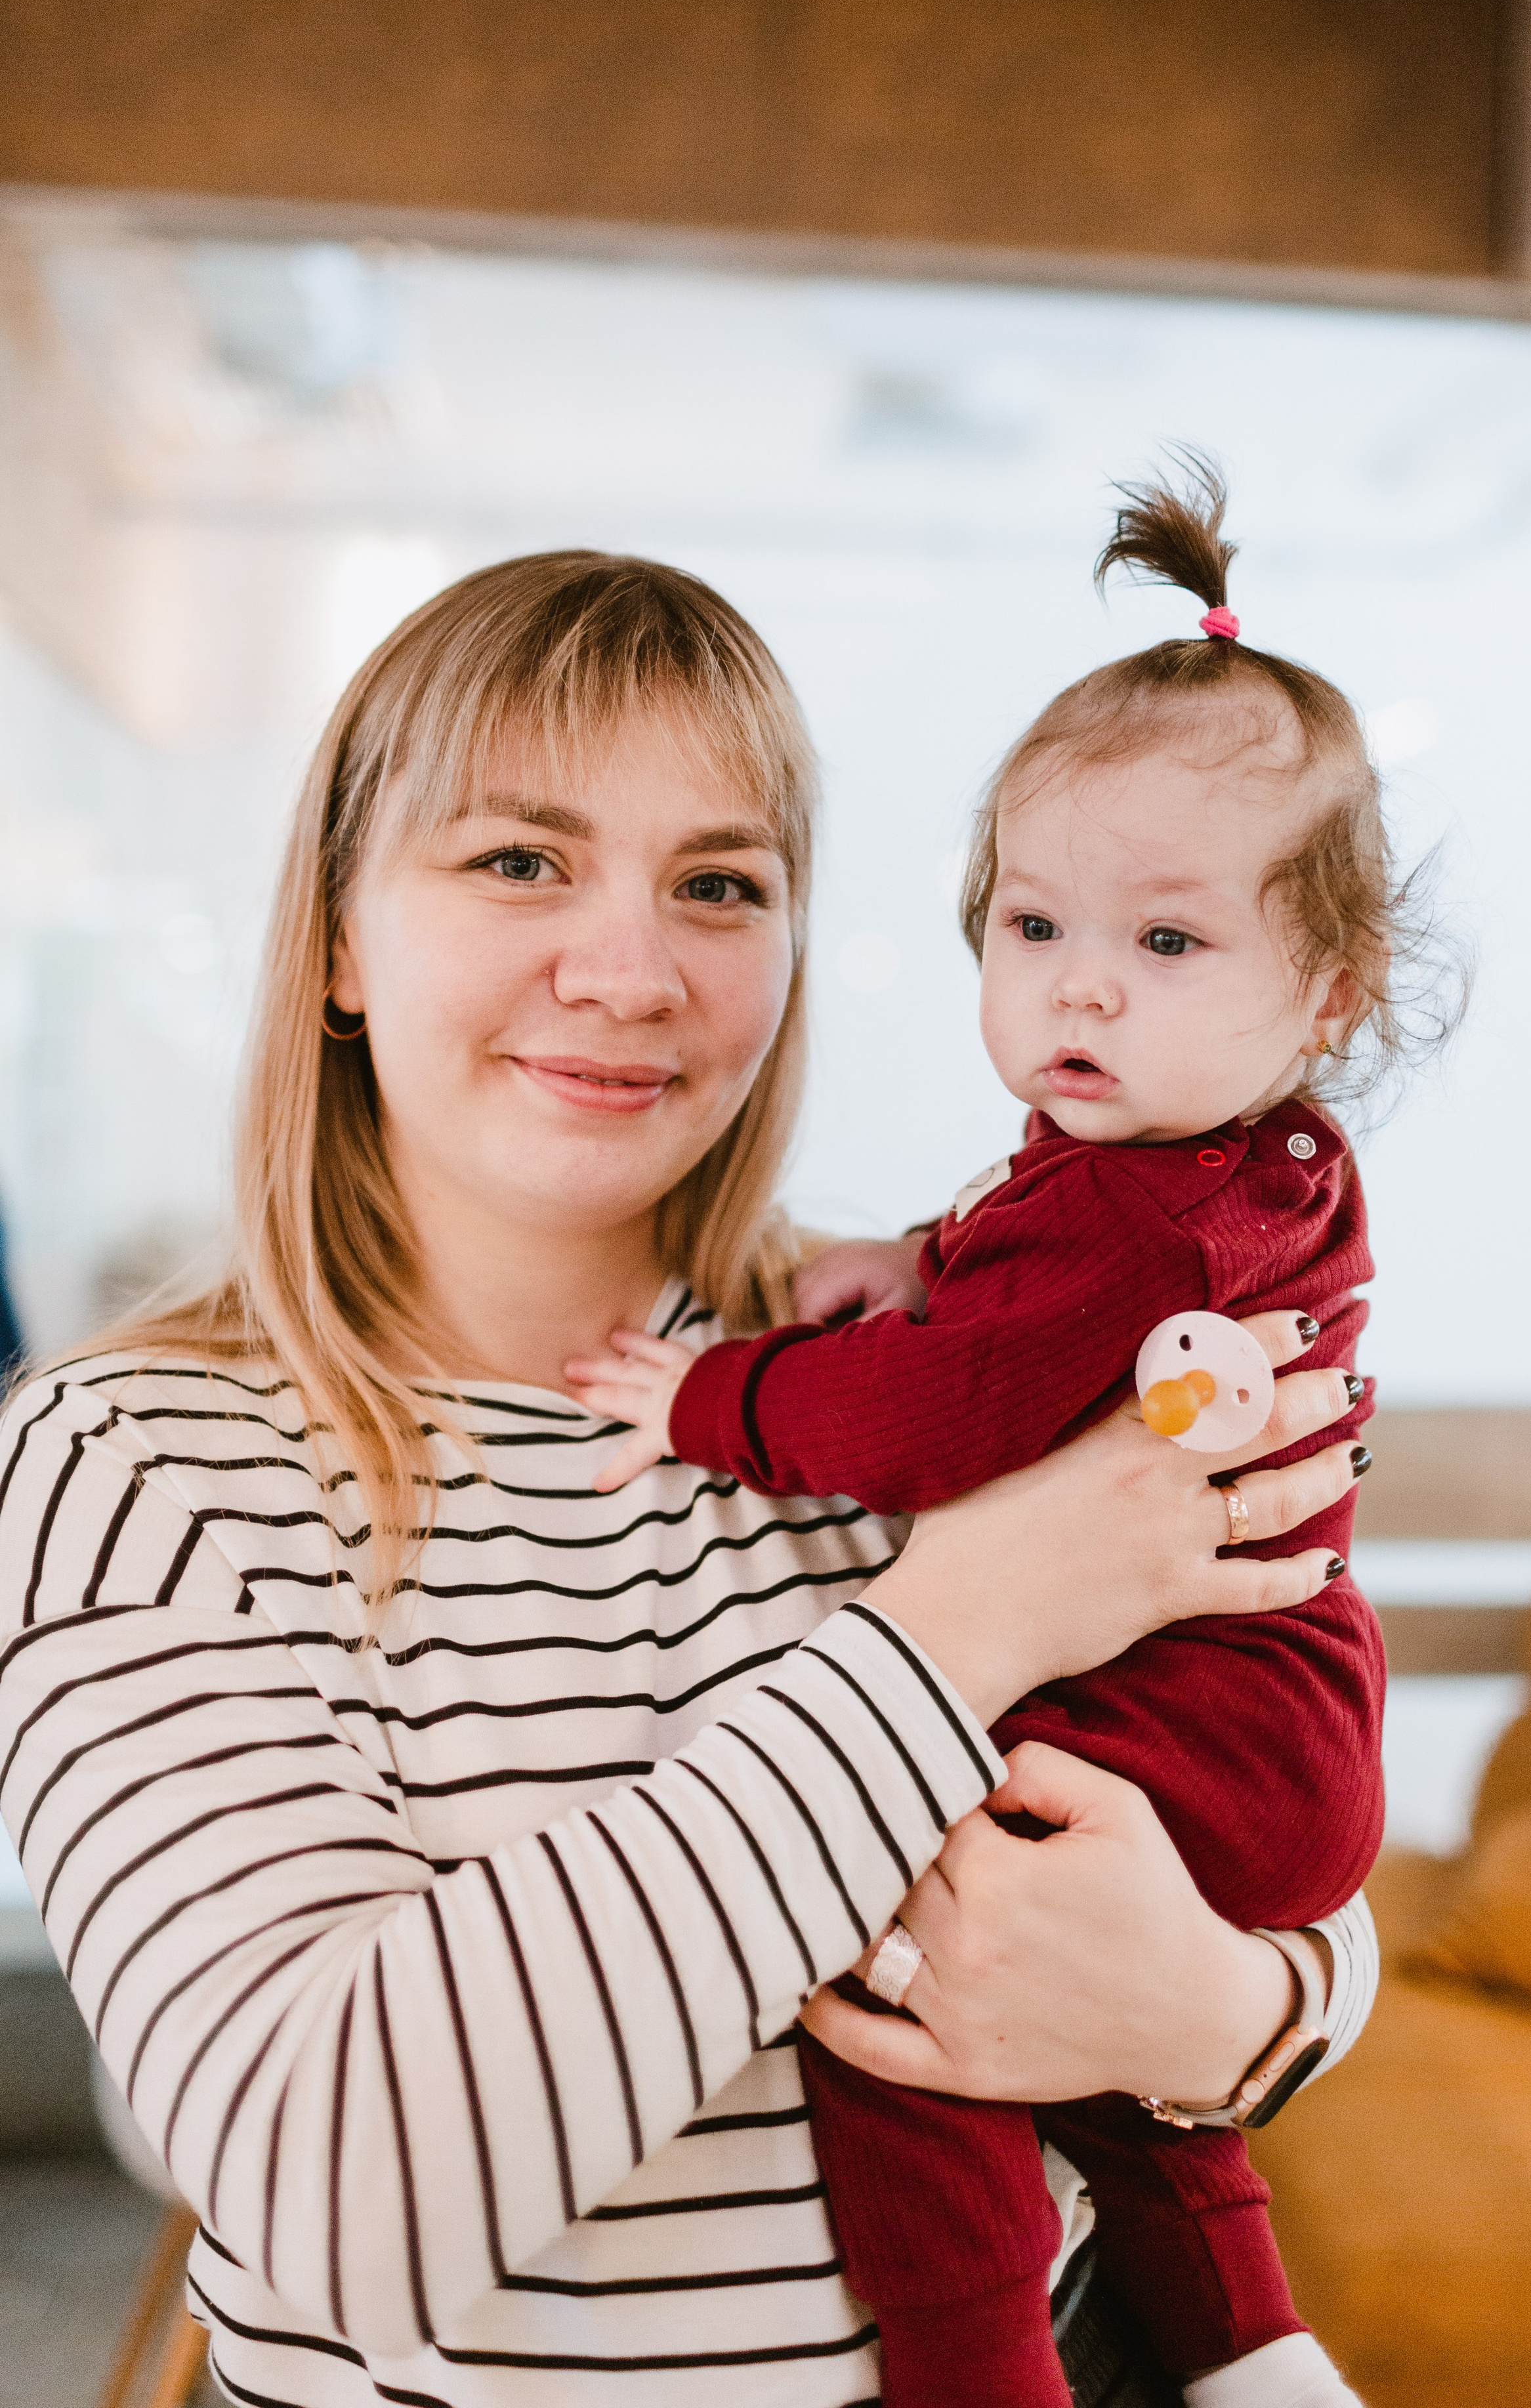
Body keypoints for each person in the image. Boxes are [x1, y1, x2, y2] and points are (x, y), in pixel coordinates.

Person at [0, 552, 1374, 2408]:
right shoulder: (137, 1463)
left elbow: (1273, 1820)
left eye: (719, 885)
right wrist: (954, 1628)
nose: (629, 972)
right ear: (336, 938)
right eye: (517, 861)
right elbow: (325, 2196)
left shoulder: (906, 1372)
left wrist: (1222, 2015)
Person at [568, 465, 1427, 2408]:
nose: (1080, 984)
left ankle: (975, 2373)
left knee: (902, 1981)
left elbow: (936, 1404)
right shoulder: (1229, 1167)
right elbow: (1021, 1285)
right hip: (1275, 1718)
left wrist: (708, 1399)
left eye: (1168, 944)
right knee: (1076, 2024)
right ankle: (1248, 2347)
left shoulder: (1142, 1209)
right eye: (1031, 925)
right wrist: (916, 1250)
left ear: (1331, 991)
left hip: (1200, 1719)